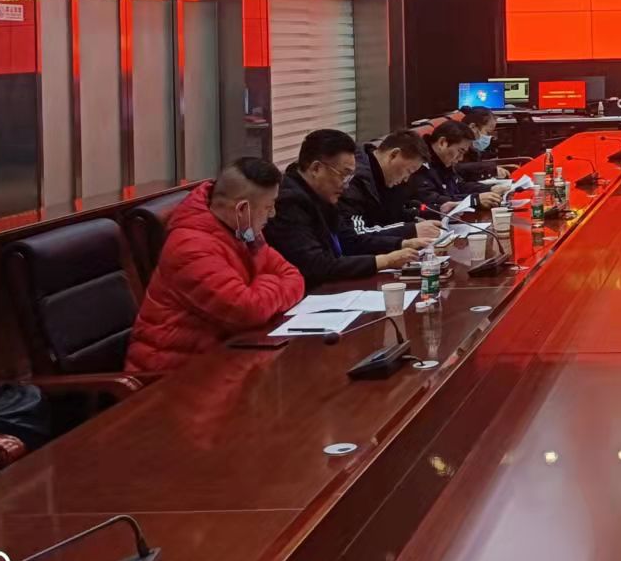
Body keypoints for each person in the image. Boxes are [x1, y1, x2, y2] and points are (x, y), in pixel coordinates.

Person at [126, 158, 306, 376]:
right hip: (169, 376)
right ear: (242, 209)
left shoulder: (243, 231)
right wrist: (268, 280)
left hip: (221, 358)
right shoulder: (190, 248)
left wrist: (258, 289)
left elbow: (294, 276)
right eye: (268, 206)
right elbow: (247, 311)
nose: (273, 214)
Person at [267, 129, 423, 285]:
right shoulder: (288, 203)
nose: (346, 184)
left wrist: (401, 244)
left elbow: (349, 240)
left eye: (350, 177)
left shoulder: (322, 196)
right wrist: (384, 261)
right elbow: (316, 265)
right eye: (343, 174)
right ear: (316, 168)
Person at [339, 129, 446, 251]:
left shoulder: (385, 177)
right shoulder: (353, 180)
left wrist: (436, 212)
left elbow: (394, 215)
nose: (406, 179)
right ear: (394, 155)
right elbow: (354, 237)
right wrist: (410, 231)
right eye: (408, 171)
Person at [410, 119, 505, 217]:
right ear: (442, 143)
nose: (461, 158)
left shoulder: (442, 161)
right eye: (460, 151)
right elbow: (431, 200)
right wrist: (474, 200)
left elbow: (458, 186)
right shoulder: (418, 162)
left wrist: (489, 189)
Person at [457, 106, 511, 182]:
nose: (490, 137)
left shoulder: (473, 150)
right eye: (487, 132)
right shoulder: (457, 147)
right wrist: (489, 169)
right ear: (473, 127)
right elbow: (456, 169)